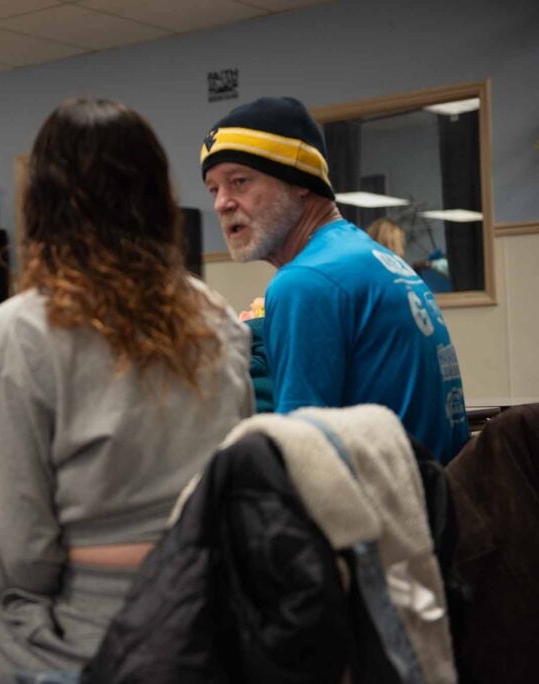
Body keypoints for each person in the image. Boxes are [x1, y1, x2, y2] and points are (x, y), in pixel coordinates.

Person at [0, 96, 253, 682]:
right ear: (158, 196)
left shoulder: (19, 330)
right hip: (215, 614)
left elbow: (12, 559)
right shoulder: (219, 318)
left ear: (41, 205)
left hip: (98, 622)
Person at [201, 96, 469, 463]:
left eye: (239, 182)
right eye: (214, 189)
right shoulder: (372, 256)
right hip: (430, 501)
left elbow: (300, 461)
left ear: (300, 182)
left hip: (383, 511)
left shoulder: (306, 281)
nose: (221, 203)